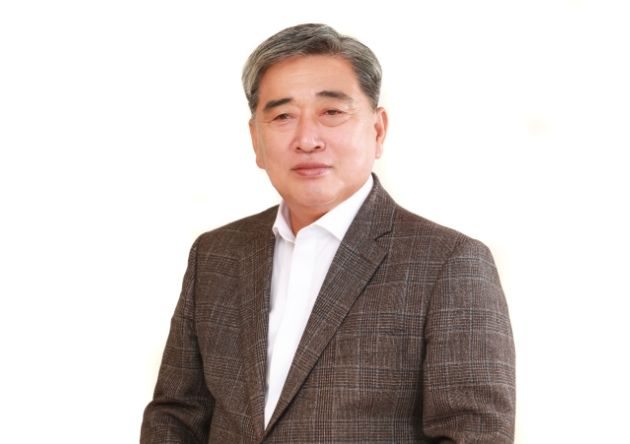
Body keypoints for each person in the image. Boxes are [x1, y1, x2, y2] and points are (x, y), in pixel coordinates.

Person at [141, 23, 515, 443]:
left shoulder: (449, 263)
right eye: (282, 116)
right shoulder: (216, 254)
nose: (307, 139)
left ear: (378, 130)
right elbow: (176, 416)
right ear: (256, 140)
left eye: (332, 113)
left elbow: (473, 435)